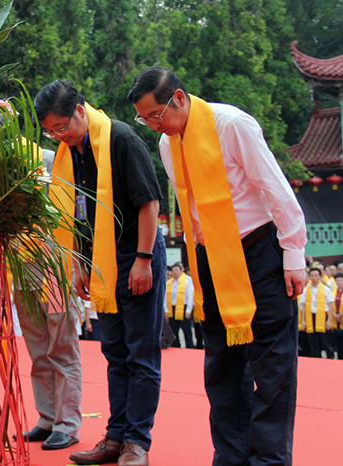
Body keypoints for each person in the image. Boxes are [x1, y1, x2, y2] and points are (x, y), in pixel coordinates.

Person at [128, 66, 307, 466]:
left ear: (178, 96)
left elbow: (274, 188)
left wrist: (293, 253)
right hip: (209, 258)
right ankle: (231, 456)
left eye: (157, 115)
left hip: (258, 251)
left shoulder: (232, 125)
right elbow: (189, 207)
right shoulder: (166, 143)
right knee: (222, 366)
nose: (155, 125)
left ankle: (269, 459)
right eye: (145, 119)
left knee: (272, 365)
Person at [36, 80, 166, 466]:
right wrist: (78, 263)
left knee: (141, 353)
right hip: (98, 259)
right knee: (114, 352)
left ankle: (136, 442)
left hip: (133, 252)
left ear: (80, 110)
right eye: (50, 131)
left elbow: (149, 203)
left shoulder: (120, 138)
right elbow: (75, 215)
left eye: (62, 126)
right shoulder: (68, 154)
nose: (58, 135)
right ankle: (115, 436)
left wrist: (143, 259)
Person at [13, 148, 83, 451]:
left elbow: (74, 210)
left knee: (61, 345)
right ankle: (47, 418)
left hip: (53, 263)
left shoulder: (45, 159)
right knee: (38, 347)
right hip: (19, 263)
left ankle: (67, 424)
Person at [300, 268, 334, 358]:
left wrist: (329, 320)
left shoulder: (326, 289)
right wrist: (303, 321)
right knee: (313, 342)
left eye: (316, 275)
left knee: (326, 341)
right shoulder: (306, 289)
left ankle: (330, 360)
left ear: (320, 276)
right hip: (310, 317)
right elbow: (302, 305)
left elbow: (331, 305)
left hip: (323, 316)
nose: (314, 277)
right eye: (312, 275)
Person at [165, 263, 194, 348]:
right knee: (173, 330)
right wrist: (166, 310)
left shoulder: (186, 282)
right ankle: (175, 346)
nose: (175, 272)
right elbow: (165, 298)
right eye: (173, 270)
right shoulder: (168, 283)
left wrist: (188, 310)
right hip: (172, 308)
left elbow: (190, 297)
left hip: (183, 308)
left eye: (177, 270)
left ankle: (190, 346)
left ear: (181, 271)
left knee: (186, 330)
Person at [331, 273, 343, 358]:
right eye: (337, 280)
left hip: (341, 317)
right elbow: (330, 304)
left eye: (340, 280)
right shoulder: (333, 292)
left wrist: (341, 315)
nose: (338, 282)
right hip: (335, 320)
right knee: (339, 344)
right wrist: (335, 315)